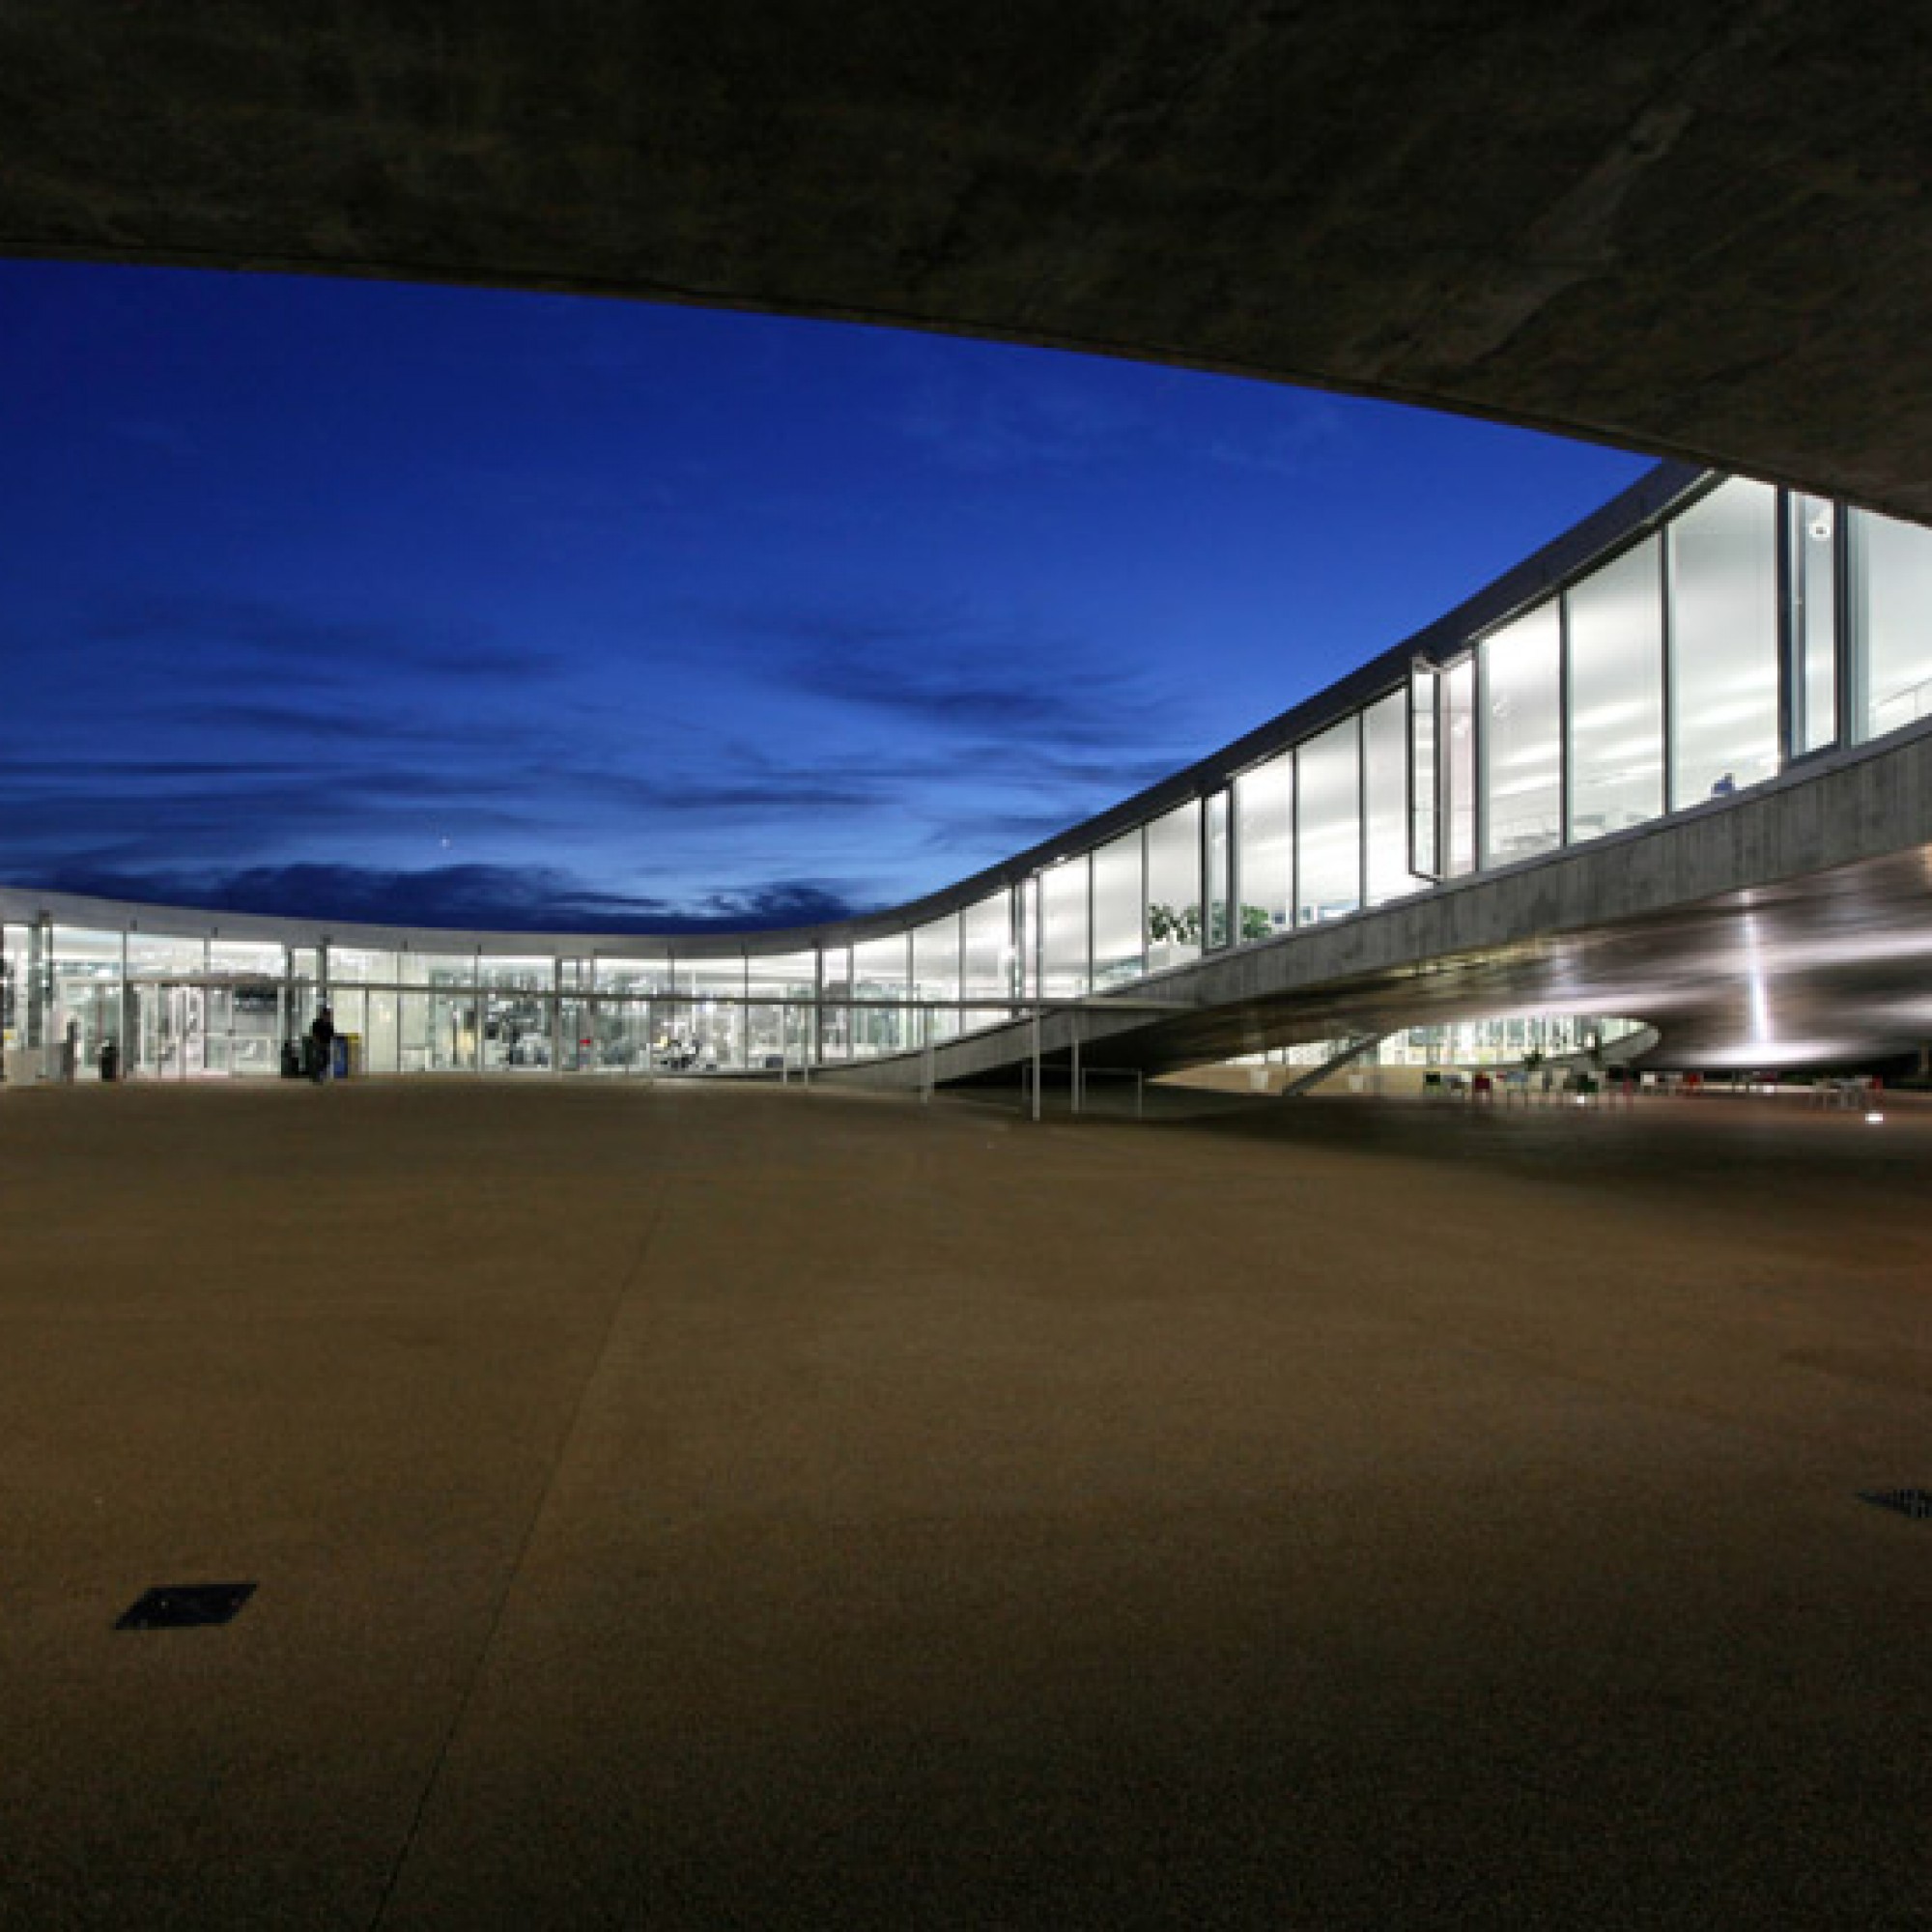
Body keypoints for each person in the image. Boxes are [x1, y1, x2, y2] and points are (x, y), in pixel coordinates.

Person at [309, 1003, 336, 1084]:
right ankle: (316, 1077)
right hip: (318, 1044)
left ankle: (320, 1074)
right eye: (327, 1015)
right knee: (317, 1060)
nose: (328, 1017)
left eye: (329, 1016)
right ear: (323, 1015)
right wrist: (316, 1042)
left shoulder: (329, 1024)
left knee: (326, 1060)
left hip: (326, 1044)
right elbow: (314, 1034)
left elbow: (332, 1034)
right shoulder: (316, 1023)